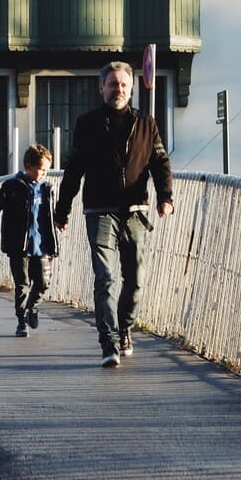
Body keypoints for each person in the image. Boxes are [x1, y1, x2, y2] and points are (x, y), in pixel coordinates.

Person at [55, 60, 173, 368]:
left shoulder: (146, 123)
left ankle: (126, 328)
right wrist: (62, 208)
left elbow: (160, 163)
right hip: (100, 210)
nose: (117, 89)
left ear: (131, 89)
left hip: (135, 210)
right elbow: (74, 169)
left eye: (123, 84)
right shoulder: (87, 124)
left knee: (135, 280)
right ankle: (108, 341)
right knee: (105, 277)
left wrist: (165, 197)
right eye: (112, 84)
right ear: (101, 88)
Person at [0, 143, 57, 336]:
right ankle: (21, 321)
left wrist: (61, 221)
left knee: (43, 282)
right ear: (28, 166)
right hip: (19, 245)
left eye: (46, 170)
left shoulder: (47, 189)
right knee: (22, 284)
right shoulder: (12, 186)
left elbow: (51, 216)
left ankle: (32, 308)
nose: (44, 173)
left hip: (42, 245)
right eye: (41, 169)